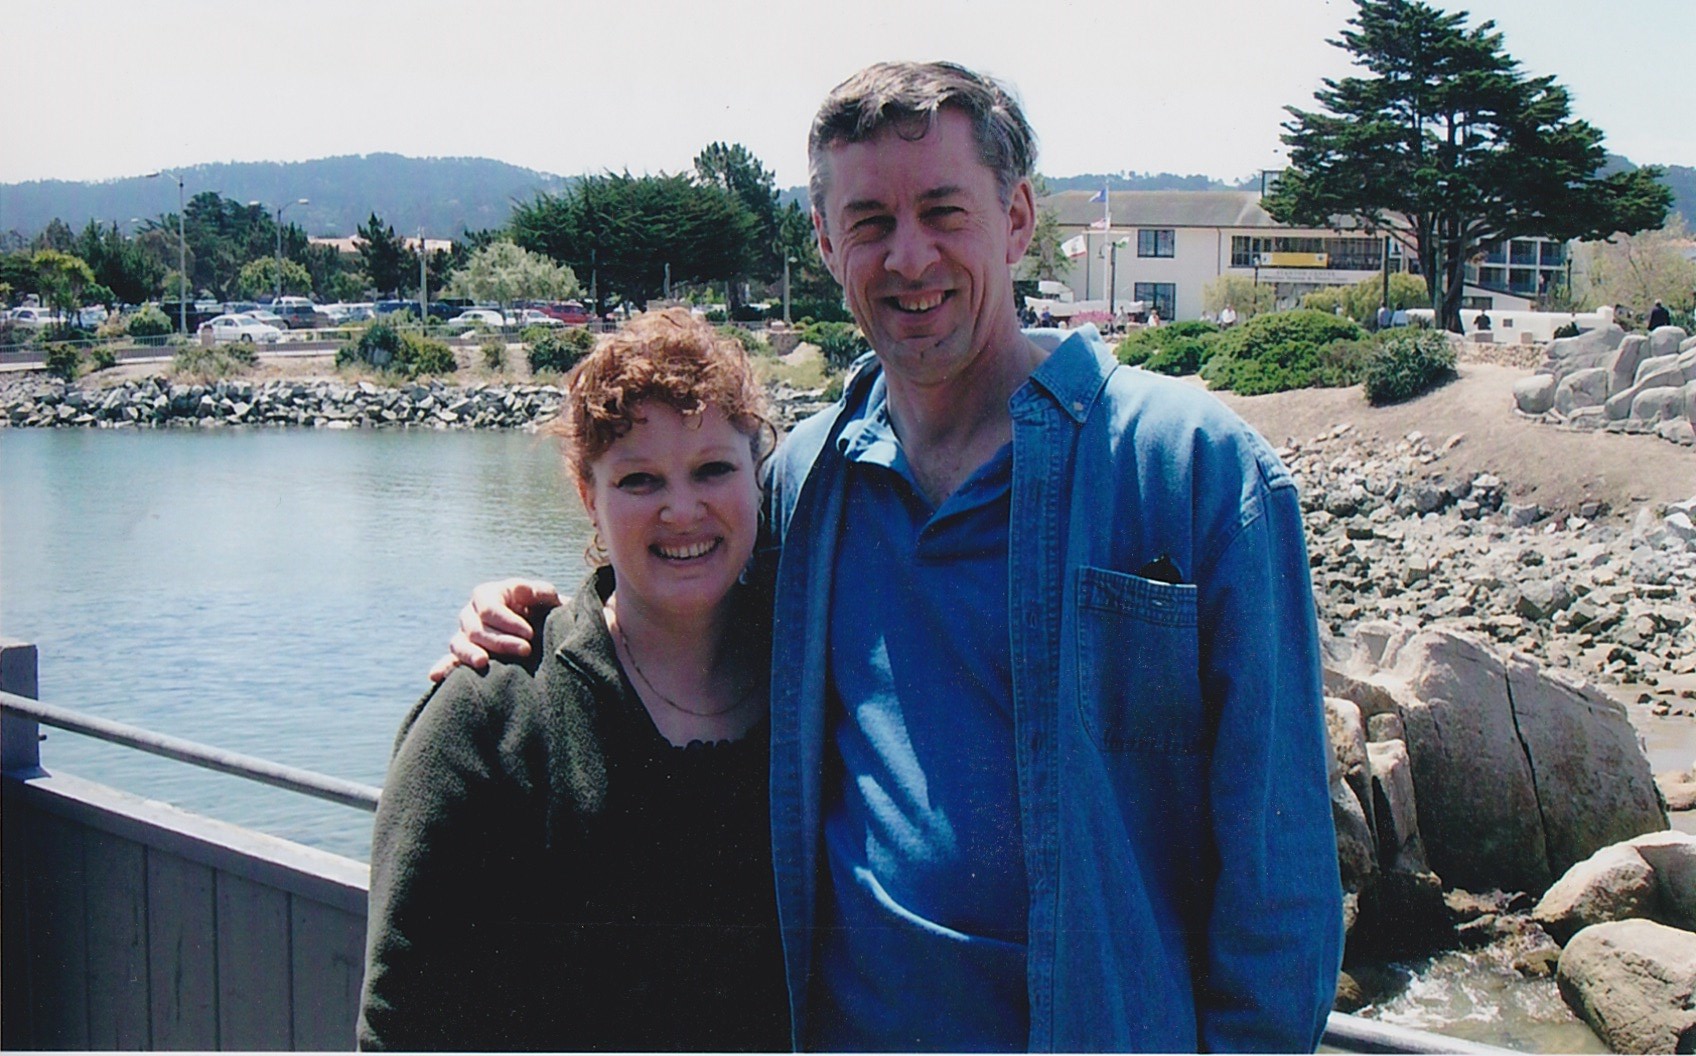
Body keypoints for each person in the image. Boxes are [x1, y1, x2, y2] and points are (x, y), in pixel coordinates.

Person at [441, 61, 1342, 1052]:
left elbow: (1281, 883)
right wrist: (540, 621)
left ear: (1015, 218)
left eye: (943, 212)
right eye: (869, 222)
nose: (908, 257)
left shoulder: (1193, 471)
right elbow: (676, 612)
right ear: (827, 244)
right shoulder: (806, 484)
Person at [360, 309, 790, 1051]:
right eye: (639, 478)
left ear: (758, 480)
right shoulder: (490, 716)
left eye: (713, 469)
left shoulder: (814, 686)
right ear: (588, 495)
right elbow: (401, 1024)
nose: (682, 509)